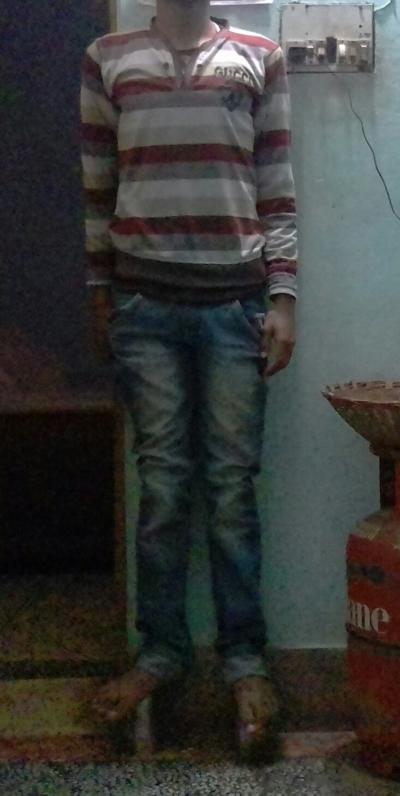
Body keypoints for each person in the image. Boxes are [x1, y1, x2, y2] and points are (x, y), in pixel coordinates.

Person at [80, 0, 297, 757]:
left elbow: (276, 184)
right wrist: (100, 294)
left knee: (231, 490)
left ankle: (245, 662)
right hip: (144, 306)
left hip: (236, 304)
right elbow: (97, 186)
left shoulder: (260, 57)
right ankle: (162, 652)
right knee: (165, 488)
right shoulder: (107, 58)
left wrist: (284, 297)